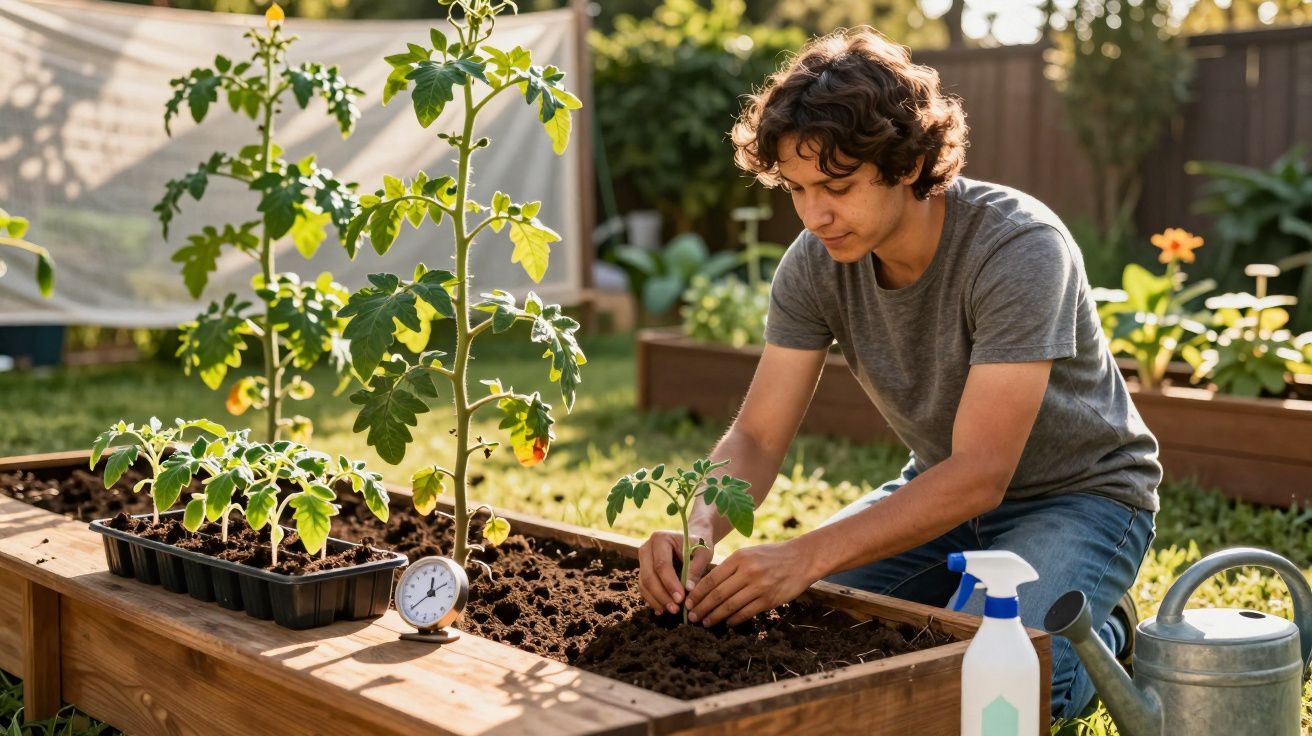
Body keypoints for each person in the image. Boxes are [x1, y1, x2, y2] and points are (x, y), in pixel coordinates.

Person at [634, 27, 1159, 720]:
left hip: (1079, 497)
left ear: (908, 164)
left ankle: (1103, 626)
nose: (815, 213)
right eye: (795, 189)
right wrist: (697, 527)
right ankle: (978, 602)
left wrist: (804, 554)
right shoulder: (814, 262)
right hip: (936, 495)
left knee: (1000, 693)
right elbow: (758, 436)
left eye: (838, 185)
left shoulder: (1018, 247)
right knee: (808, 634)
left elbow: (981, 471)